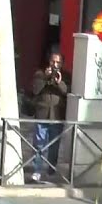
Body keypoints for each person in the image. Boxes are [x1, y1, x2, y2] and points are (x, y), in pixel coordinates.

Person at [28, 53, 68, 183]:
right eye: (53, 61)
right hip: (42, 114)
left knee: (54, 145)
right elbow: (35, 91)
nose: (55, 65)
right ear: (49, 62)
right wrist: (45, 78)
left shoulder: (65, 76)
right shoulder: (40, 74)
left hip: (57, 115)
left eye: (58, 62)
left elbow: (67, 91)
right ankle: (37, 170)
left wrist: (59, 82)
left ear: (61, 64)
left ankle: (51, 170)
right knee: (39, 144)